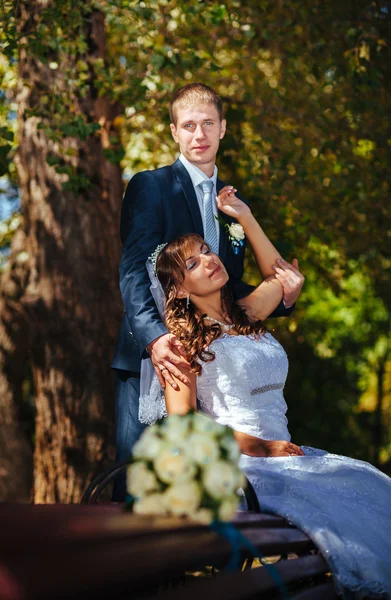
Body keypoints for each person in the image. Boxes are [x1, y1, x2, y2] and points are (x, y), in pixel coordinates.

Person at [143, 186, 391, 598]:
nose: (208, 260)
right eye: (193, 262)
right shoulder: (180, 347)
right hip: (245, 465)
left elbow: (284, 276)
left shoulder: (249, 313)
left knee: (369, 486)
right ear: (180, 288)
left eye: (207, 249)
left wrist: (244, 215)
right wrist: (262, 448)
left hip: (285, 454)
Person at [111, 83, 305, 500]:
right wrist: (155, 338)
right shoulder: (152, 186)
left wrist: (281, 293)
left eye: (208, 124)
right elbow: (132, 268)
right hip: (158, 357)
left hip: (214, 357)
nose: (199, 135)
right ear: (174, 132)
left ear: (222, 130)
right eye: (188, 126)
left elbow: (228, 283)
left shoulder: (231, 201)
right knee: (142, 484)